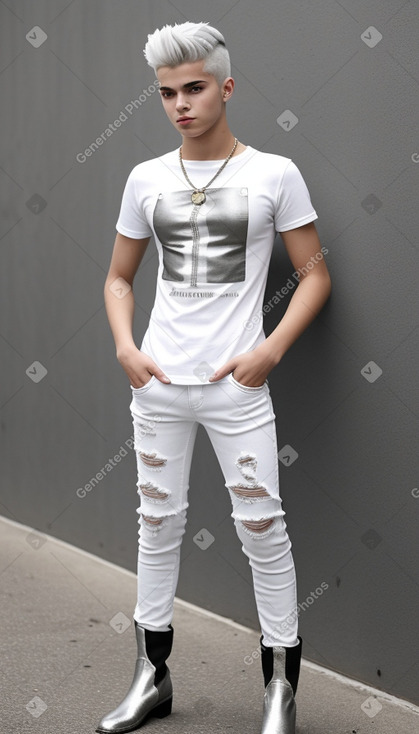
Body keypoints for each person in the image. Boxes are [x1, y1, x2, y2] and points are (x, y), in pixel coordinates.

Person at [96, 21, 331, 734]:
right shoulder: (146, 179)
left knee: (262, 528)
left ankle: (279, 694)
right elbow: (117, 278)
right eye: (166, 93)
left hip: (237, 386)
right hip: (159, 384)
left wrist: (270, 351)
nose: (180, 104)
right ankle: (149, 677)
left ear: (225, 87)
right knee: (156, 524)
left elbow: (315, 275)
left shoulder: (273, 173)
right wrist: (124, 348)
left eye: (193, 88)